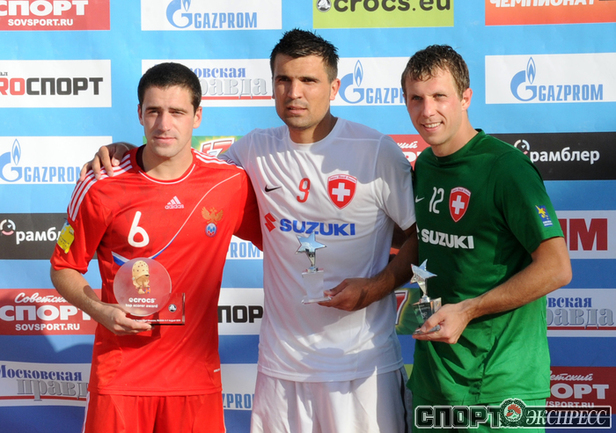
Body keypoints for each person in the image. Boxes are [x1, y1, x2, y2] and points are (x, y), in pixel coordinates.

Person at [84, 29, 418, 433]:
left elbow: (420, 237)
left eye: (308, 80)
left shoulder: (376, 151)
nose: (294, 92)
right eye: (283, 79)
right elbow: (180, 170)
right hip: (280, 370)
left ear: (334, 87)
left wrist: (377, 287)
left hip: (361, 366)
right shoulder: (253, 151)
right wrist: (127, 153)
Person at [50, 62, 261, 433]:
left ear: (197, 116)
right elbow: (63, 267)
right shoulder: (101, 184)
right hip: (120, 379)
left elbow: (282, 240)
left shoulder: (229, 183)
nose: (164, 124)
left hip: (195, 380)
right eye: (154, 111)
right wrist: (99, 310)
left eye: (177, 112)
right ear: (140, 114)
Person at [400, 45, 572, 431]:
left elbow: (557, 268)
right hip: (435, 380)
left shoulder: (506, 168)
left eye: (439, 96)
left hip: (500, 385)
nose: (427, 111)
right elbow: (417, 242)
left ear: (465, 98)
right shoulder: (424, 165)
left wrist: (468, 310)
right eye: (416, 99)